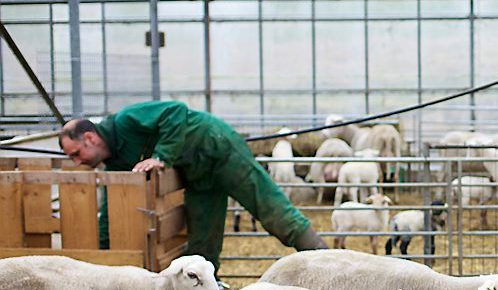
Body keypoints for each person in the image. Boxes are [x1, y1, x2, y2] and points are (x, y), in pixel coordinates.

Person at [59, 100, 327, 272]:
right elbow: (111, 209)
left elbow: (175, 111)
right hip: (197, 174)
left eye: (75, 153)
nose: (77, 162)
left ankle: (328, 261)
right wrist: (103, 259)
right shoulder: (115, 162)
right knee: (202, 243)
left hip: (216, 146)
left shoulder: (126, 120)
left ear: (90, 137)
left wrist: (161, 156)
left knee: (270, 208)